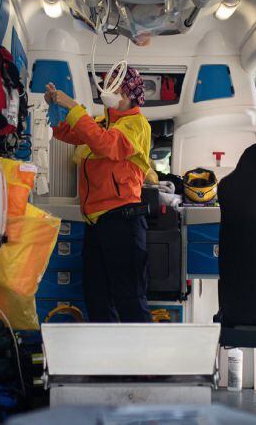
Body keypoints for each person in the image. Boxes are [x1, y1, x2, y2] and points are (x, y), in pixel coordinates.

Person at [45, 68, 152, 323]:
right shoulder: (105, 122)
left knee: (130, 300)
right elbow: (68, 133)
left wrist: (72, 106)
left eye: (111, 86)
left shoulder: (136, 125)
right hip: (97, 224)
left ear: (127, 93)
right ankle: (108, 360)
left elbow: (105, 144)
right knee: (97, 298)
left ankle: (143, 361)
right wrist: (55, 108)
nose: (105, 90)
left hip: (123, 222)